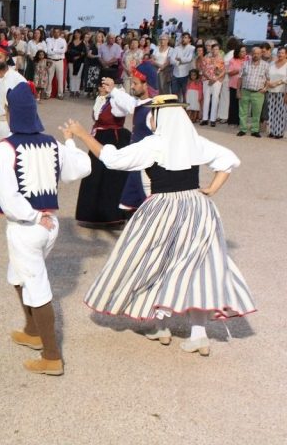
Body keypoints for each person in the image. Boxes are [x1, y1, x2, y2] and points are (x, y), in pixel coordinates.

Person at [65, 96, 256, 356]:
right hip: (197, 207)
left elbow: (112, 159)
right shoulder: (195, 142)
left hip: (163, 208)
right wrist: (210, 189)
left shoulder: (154, 144)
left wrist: (80, 134)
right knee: (197, 269)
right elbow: (228, 161)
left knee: (154, 262)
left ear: (159, 117)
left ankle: (160, 325)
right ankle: (198, 334)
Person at [0, 82, 90, 376]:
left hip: (27, 225)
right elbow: (82, 168)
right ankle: (32, 329)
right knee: (17, 274)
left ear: (10, 113)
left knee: (35, 284)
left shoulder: (4, 149)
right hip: (50, 224)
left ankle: (51, 355)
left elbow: (8, 198)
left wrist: (33, 217)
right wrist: (70, 142)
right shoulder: (52, 143)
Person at [74, 82, 131, 227]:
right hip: (99, 138)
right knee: (94, 175)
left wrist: (114, 93)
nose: (100, 88)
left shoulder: (117, 101)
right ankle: (94, 215)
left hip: (114, 139)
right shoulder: (101, 99)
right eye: (100, 85)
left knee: (112, 178)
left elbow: (121, 111)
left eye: (103, 85)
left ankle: (113, 215)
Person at [104, 62, 158, 211]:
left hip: (147, 171)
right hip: (136, 167)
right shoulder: (140, 105)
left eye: (135, 83)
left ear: (146, 85)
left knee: (150, 209)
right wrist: (113, 90)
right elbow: (129, 103)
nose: (132, 86)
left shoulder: (154, 111)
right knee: (131, 207)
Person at [237, 46, 269, 138]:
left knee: (257, 112)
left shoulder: (265, 65)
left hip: (258, 93)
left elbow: (268, 79)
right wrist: (238, 90)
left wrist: (265, 88)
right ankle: (243, 129)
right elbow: (240, 78)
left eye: (258, 53)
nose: (256, 55)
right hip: (245, 91)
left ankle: (255, 130)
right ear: (251, 54)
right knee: (243, 112)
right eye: (254, 53)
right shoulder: (245, 64)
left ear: (261, 54)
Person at [200, 43, 225, 126]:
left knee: (215, 99)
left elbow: (223, 71)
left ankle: (213, 119)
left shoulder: (221, 59)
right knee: (206, 99)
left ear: (219, 50)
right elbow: (203, 70)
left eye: (217, 49)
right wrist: (209, 78)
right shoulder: (206, 58)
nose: (215, 51)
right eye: (214, 49)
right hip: (207, 80)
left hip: (217, 81)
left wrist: (215, 79)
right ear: (211, 49)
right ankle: (205, 118)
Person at [266, 46, 287, 139]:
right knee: (271, 111)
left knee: (281, 112)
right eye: (279, 52)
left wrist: (277, 82)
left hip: (282, 91)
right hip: (271, 90)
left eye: (282, 53)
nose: (280, 54)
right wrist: (268, 82)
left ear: (286, 54)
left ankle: (279, 132)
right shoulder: (272, 63)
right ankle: (271, 131)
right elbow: (267, 74)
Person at [171, 32, 195, 101]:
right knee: (174, 95)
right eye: (183, 37)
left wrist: (179, 59)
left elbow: (189, 59)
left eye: (186, 38)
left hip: (186, 74)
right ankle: (175, 109)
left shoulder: (192, 48)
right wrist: (179, 62)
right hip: (175, 74)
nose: (184, 39)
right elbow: (172, 60)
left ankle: (185, 110)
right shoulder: (176, 48)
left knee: (185, 94)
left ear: (189, 39)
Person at [226, 44, 246, 126]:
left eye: (245, 51)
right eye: (242, 51)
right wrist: (240, 70)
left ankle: (240, 121)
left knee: (242, 104)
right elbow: (229, 73)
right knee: (233, 103)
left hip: (244, 85)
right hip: (234, 84)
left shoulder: (248, 59)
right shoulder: (232, 60)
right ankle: (232, 121)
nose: (244, 53)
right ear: (237, 52)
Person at [45, 28, 67, 99]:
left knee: (60, 78)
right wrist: (58, 50)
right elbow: (48, 51)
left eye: (58, 32)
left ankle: (60, 94)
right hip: (51, 61)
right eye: (55, 32)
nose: (56, 33)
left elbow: (63, 51)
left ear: (60, 33)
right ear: (52, 33)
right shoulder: (48, 40)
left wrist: (53, 50)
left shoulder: (63, 40)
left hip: (60, 61)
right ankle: (48, 93)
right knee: (49, 78)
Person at [66, 30, 86, 98]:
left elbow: (84, 52)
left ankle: (77, 90)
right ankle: (72, 90)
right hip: (71, 61)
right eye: (75, 33)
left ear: (81, 34)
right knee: (71, 76)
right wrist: (73, 56)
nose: (77, 34)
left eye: (78, 33)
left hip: (80, 62)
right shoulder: (71, 43)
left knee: (78, 76)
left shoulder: (83, 43)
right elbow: (68, 51)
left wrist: (78, 56)